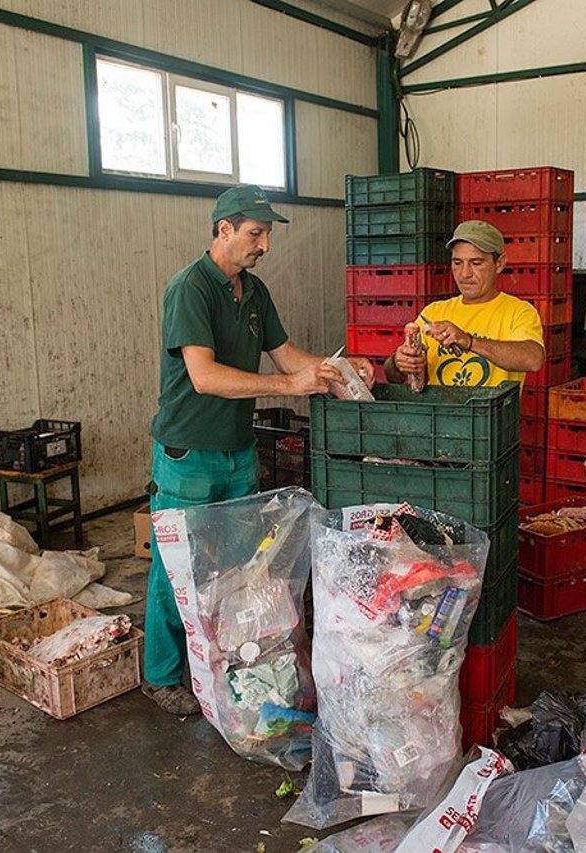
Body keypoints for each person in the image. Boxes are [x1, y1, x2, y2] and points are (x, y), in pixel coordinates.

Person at [143, 184, 371, 716]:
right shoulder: (190, 289)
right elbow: (203, 376)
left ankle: (224, 661)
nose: (264, 244)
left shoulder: (254, 292)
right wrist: (290, 387)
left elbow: (287, 355)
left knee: (237, 566)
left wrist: (335, 371)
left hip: (237, 450)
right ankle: (161, 674)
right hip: (189, 453)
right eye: (256, 233)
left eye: (266, 235)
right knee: (176, 567)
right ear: (223, 229)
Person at [385, 220, 545, 388]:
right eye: (457, 262)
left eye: (476, 263)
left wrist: (469, 341)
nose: (464, 273)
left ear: (499, 263)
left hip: (491, 414)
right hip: (440, 414)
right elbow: (392, 376)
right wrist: (399, 362)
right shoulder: (433, 312)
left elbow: (533, 359)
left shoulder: (519, 311)